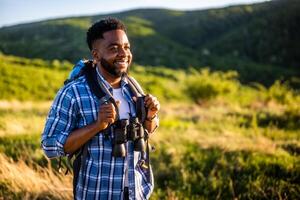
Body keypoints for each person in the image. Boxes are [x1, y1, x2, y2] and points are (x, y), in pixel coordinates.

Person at [41, 17, 160, 200]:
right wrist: (97, 126)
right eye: (114, 48)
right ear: (96, 55)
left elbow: (146, 132)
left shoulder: (133, 88)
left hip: (137, 192)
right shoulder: (73, 92)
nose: (123, 54)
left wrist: (150, 116)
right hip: (96, 194)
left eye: (126, 47)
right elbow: (49, 145)